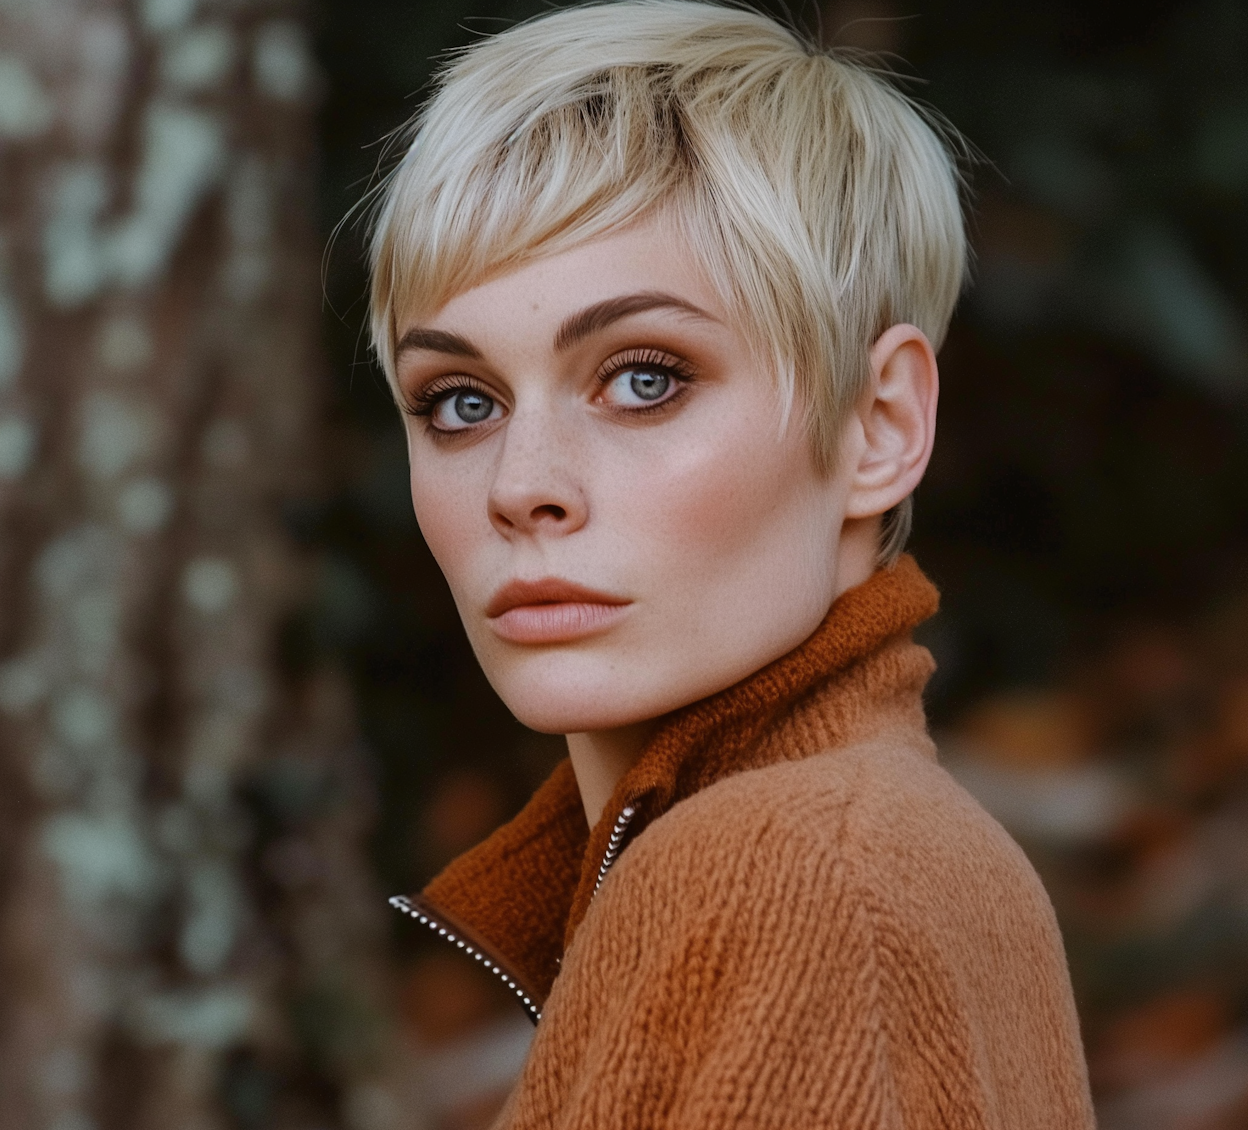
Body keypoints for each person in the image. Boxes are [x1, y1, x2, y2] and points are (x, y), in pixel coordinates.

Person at [367, 2, 1095, 1125]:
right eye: (460, 402)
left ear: (878, 422)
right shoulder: (872, 847)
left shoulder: (789, 867)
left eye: (644, 376)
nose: (521, 485)